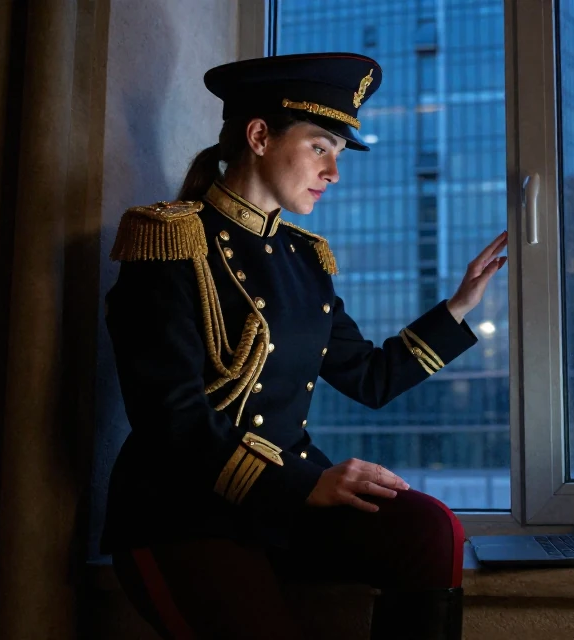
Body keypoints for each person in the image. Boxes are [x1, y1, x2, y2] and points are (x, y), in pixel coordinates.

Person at [102, 52, 507, 639]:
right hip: (185, 510)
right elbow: (172, 420)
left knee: (431, 528)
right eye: (321, 146)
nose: (334, 172)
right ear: (260, 135)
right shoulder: (170, 240)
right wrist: (303, 485)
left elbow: (370, 377)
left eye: (339, 154)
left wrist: (458, 309)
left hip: (288, 501)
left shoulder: (304, 260)